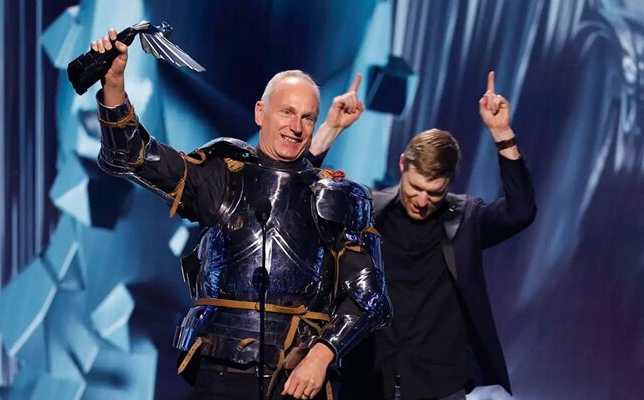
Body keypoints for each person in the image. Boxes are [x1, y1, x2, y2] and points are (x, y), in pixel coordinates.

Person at [90, 28, 392, 400]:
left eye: (307, 118)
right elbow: (132, 155)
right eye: (287, 112)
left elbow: (370, 297)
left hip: (297, 378)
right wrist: (114, 84)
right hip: (221, 372)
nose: (296, 127)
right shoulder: (222, 176)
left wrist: (322, 354)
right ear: (260, 112)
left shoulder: (338, 196)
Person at [309, 72, 536, 399]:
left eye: (434, 192)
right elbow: (301, 199)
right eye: (415, 187)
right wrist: (331, 128)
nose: (421, 200)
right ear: (403, 164)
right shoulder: (367, 211)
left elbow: (521, 211)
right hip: (367, 379)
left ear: (450, 182)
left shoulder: (466, 220)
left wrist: (502, 134)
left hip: (439, 384)